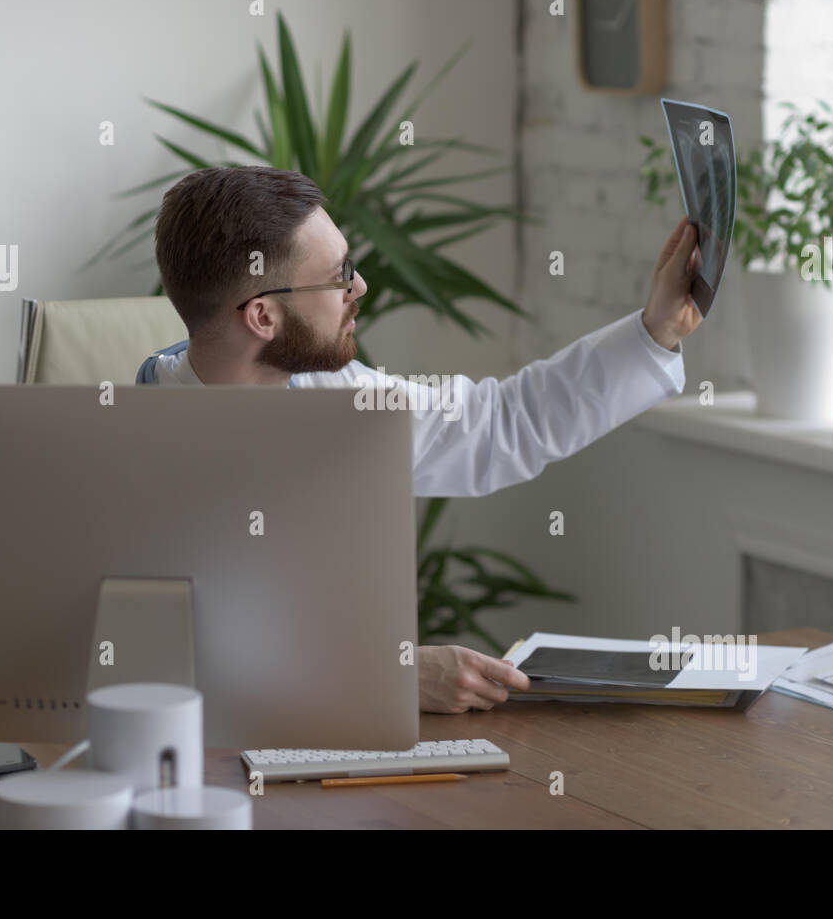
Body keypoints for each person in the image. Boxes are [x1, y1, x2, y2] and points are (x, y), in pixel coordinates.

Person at [136, 166, 703, 713]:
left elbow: (500, 421)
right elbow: (161, 664)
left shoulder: (332, 392)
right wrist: (387, 676)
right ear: (262, 316)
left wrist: (656, 331)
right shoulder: (139, 450)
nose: (360, 284)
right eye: (338, 276)